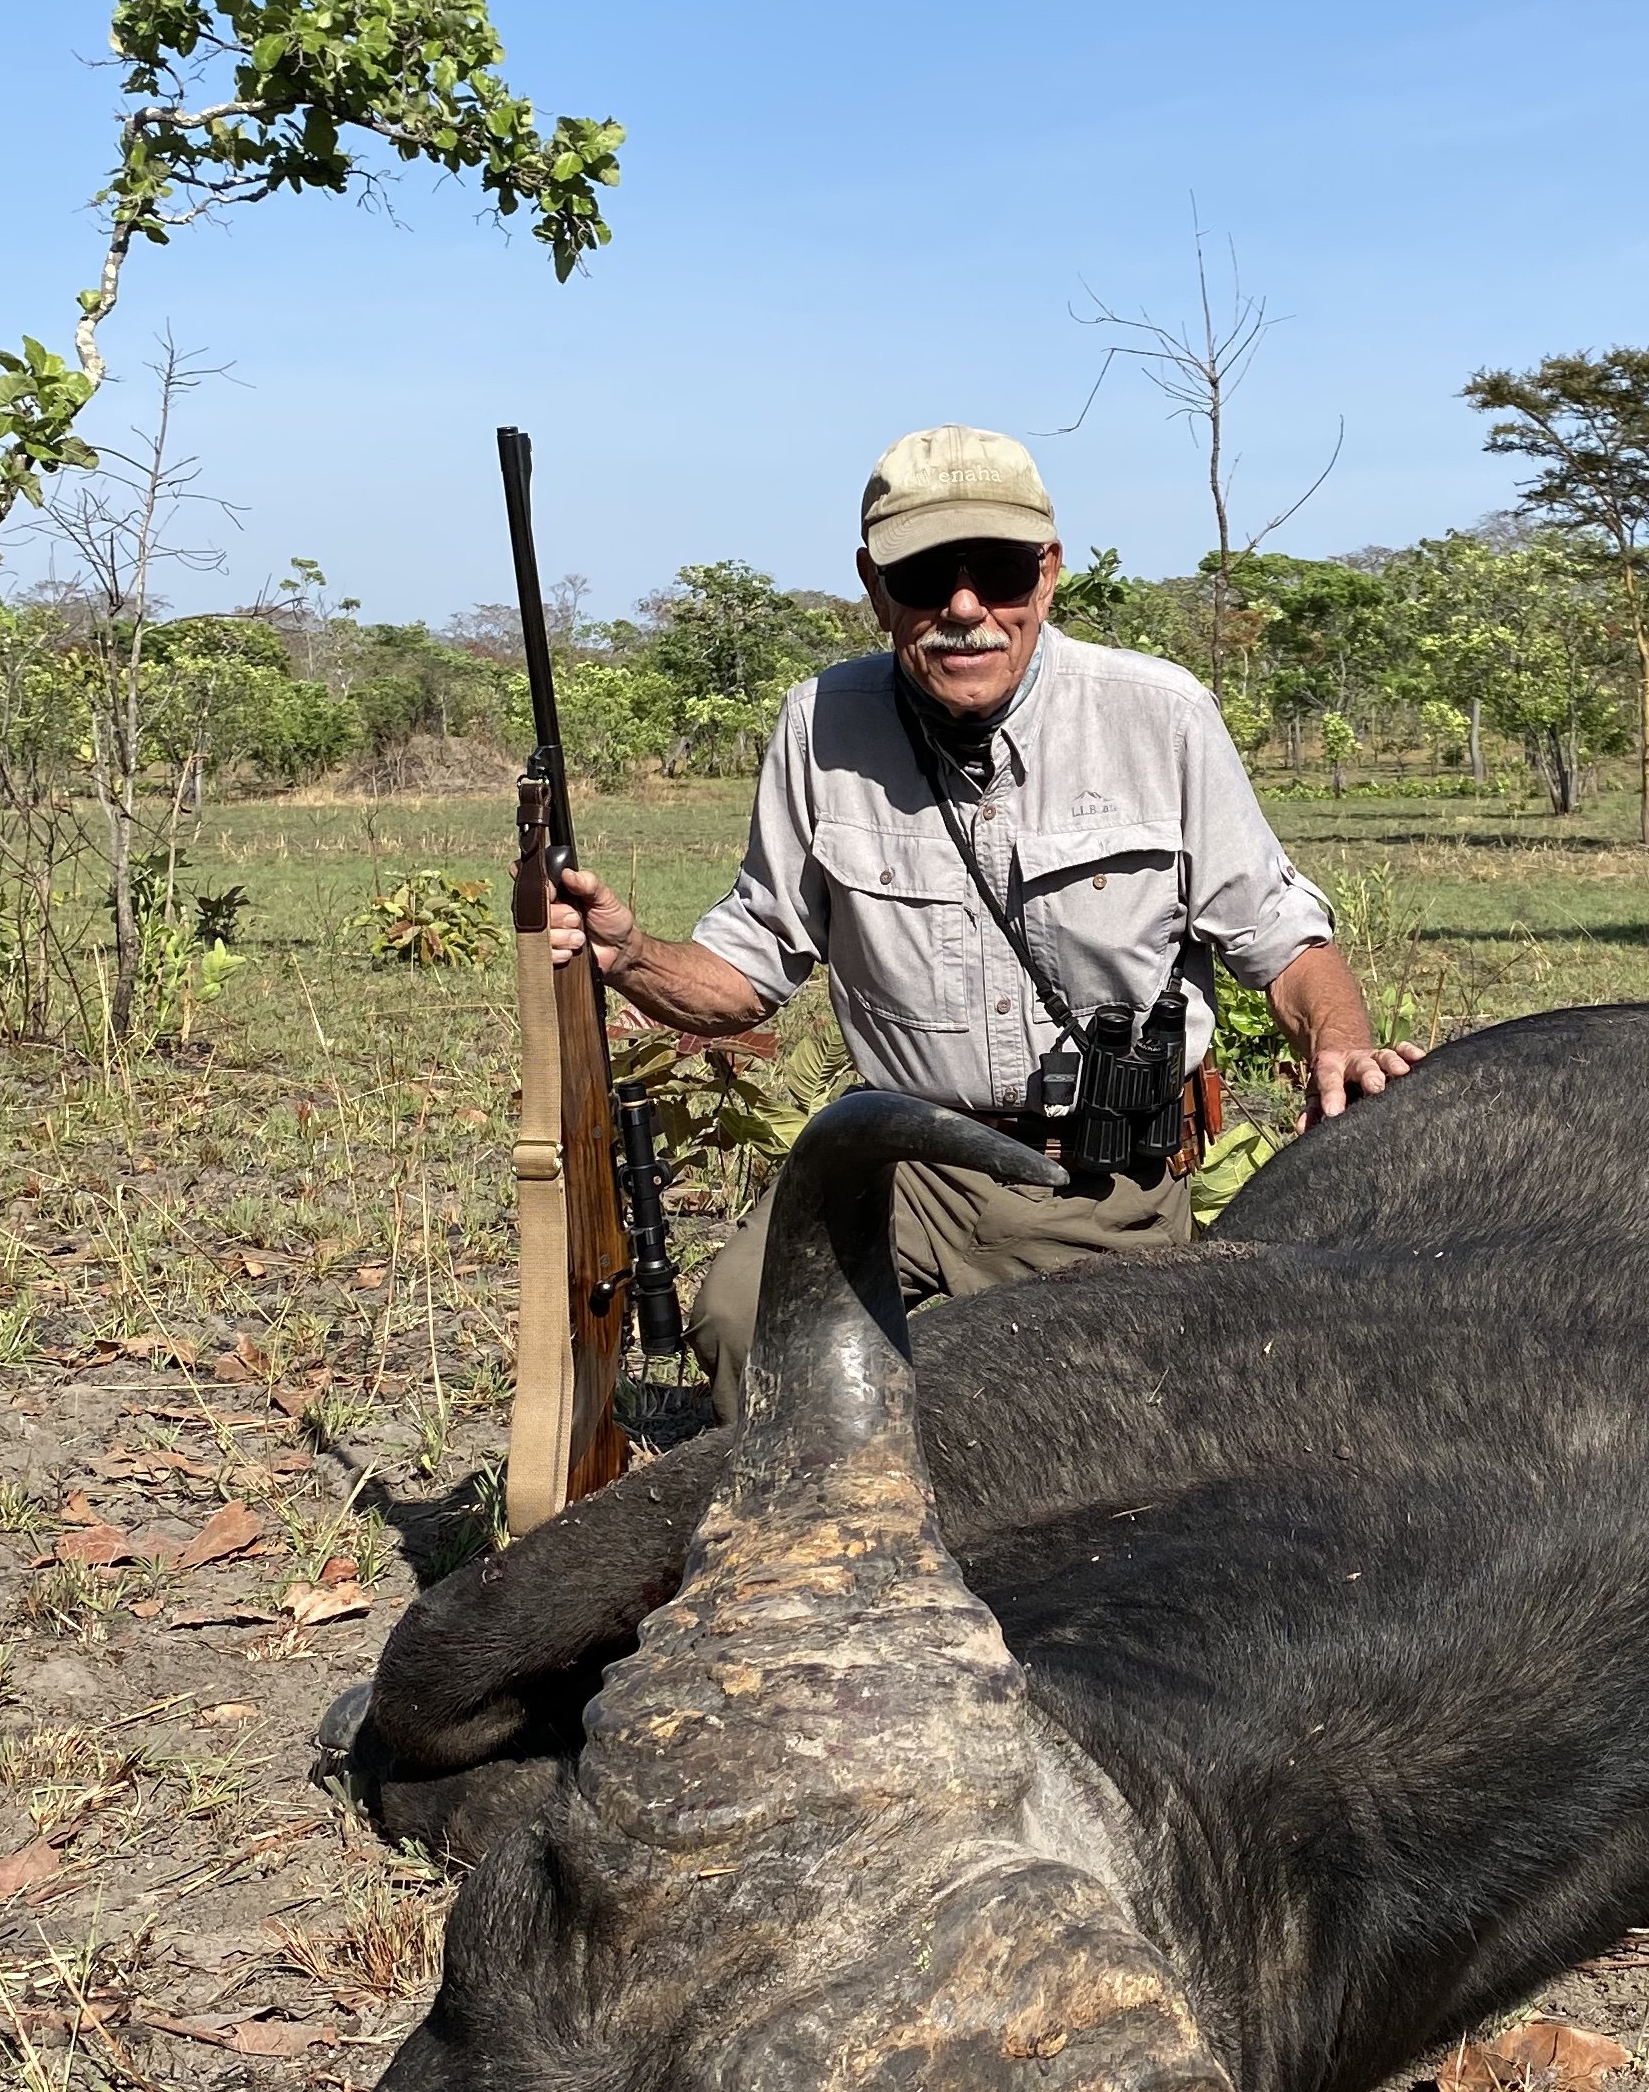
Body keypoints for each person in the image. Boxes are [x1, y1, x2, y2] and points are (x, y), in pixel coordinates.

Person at [545, 421, 1420, 1398]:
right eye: (925, 576)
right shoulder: (819, 726)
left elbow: (1291, 947)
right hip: (900, 1165)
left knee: (1095, 1425)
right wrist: (625, 952)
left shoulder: (1158, 717)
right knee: (747, 1328)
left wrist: (1339, 1040)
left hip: (1100, 1183)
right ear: (875, 587)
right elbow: (745, 976)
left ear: (1046, 575)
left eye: (999, 571)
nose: (966, 608)